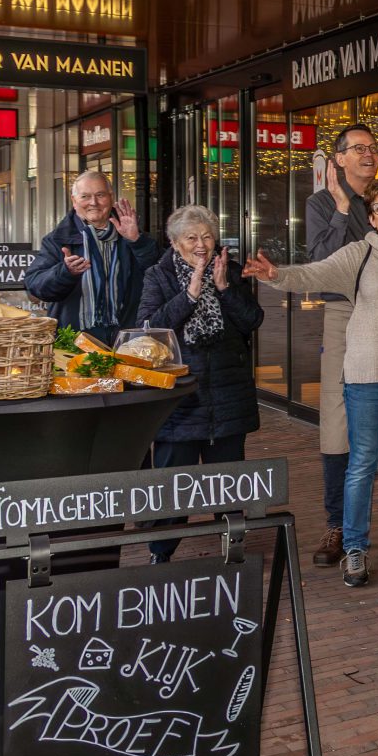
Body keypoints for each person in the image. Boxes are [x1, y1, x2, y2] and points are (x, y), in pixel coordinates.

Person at [249, 178, 378, 589]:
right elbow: (312, 274)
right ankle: (356, 547)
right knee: (362, 463)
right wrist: (276, 274)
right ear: (370, 216)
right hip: (366, 376)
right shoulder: (358, 254)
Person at [304, 125, 378, 569]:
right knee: (338, 422)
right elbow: (320, 264)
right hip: (345, 316)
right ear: (339, 158)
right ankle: (338, 525)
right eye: (358, 149)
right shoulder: (323, 202)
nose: (368, 154)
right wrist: (342, 208)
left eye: (373, 148)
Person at [137, 206, 264, 564]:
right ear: (175, 243)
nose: (201, 244)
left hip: (227, 390)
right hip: (181, 398)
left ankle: (233, 546)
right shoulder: (158, 276)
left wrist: (224, 289)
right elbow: (149, 328)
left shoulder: (230, 272)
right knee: (173, 483)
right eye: (191, 237)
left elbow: (252, 319)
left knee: (228, 479)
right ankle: (161, 551)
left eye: (207, 236)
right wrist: (189, 295)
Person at [24, 170, 157, 346]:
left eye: (100, 195)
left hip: (129, 340)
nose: (93, 203)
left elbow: (159, 277)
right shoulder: (57, 240)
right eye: (85, 196)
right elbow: (35, 286)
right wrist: (65, 272)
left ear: (111, 197)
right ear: (74, 201)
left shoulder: (132, 235)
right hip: (74, 340)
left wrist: (137, 242)